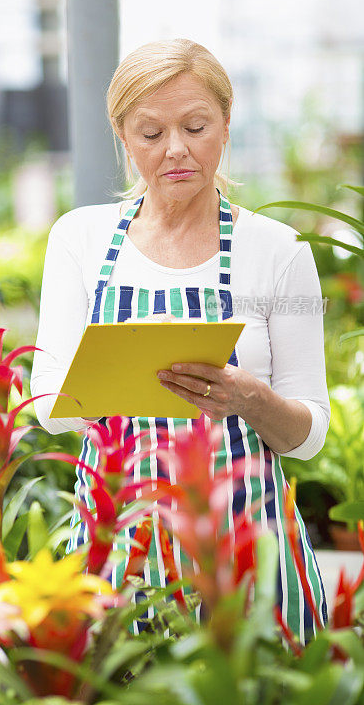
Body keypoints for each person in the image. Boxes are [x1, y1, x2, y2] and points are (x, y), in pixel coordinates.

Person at [30, 39, 330, 640]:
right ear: (121, 134)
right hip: (121, 546)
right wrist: (106, 380)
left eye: (196, 126)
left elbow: (308, 435)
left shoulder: (277, 251)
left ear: (226, 120)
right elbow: (48, 409)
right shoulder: (80, 239)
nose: (175, 151)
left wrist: (250, 400)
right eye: (149, 134)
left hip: (250, 550)